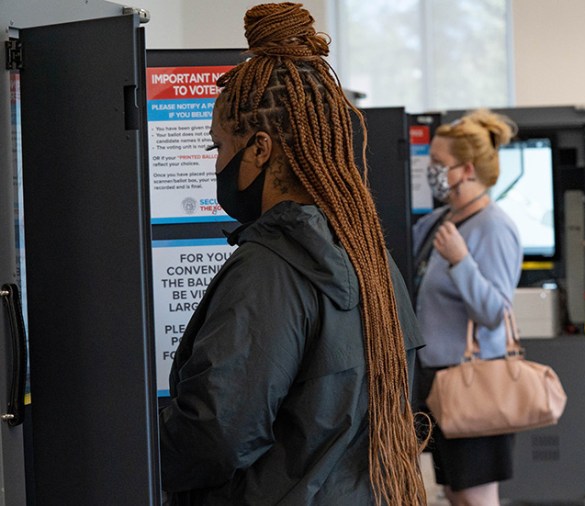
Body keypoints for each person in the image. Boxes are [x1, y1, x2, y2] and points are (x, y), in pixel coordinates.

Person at [158, 4, 426, 505]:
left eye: (220, 146)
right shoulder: (371, 256)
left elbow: (216, 435)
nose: (217, 163)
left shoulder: (269, 268)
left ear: (259, 149)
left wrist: (136, 442)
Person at [412, 110, 523, 506]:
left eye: (439, 164)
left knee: (475, 497)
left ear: (468, 169)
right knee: (455, 493)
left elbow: (495, 311)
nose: (432, 171)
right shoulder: (437, 221)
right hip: (434, 380)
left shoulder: (493, 227)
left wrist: (461, 262)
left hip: (472, 382)